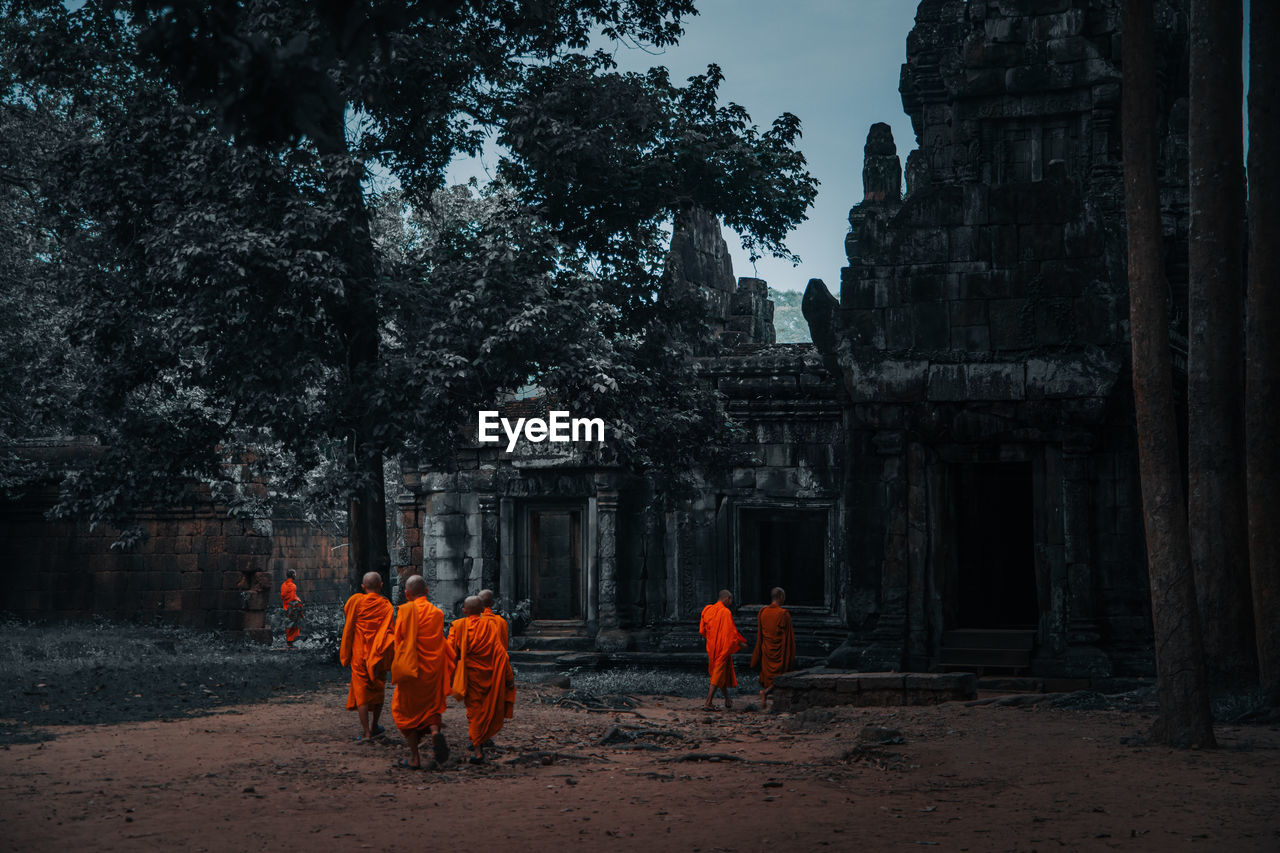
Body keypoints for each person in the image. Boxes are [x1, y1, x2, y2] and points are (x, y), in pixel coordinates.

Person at [383, 574, 453, 769]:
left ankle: (415, 757)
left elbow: (400, 641)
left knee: (406, 710)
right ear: (427, 591)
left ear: (406, 594)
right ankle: (434, 732)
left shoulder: (405, 611)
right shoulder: (437, 613)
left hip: (412, 669)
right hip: (433, 668)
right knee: (432, 706)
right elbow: (439, 639)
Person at [449, 595, 515, 764]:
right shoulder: (490, 626)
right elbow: (501, 653)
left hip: (471, 676)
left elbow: (450, 652)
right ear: (482, 610)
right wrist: (508, 676)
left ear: (464, 610)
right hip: (490, 674)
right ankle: (481, 738)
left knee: (474, 711)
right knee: (486, 709)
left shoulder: (458, 626)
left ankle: (478, 750)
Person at [339, 572, 394, 742]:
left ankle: (366, 732)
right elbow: (390, 632)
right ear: (381, 585)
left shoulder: (356, 601)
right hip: (378, 655)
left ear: (363, 587)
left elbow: (348, 621)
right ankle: (374, 726)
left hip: (359, 654)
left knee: (361, 692)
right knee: (378, 688)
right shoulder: (386, 606)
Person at [699, 589, 746, 711]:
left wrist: (712, 638)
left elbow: (702, 631)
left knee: (720, 673)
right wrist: (740, 643)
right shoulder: (725, 612)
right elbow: (731, 633)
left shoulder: (707, 610)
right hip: (723, 648)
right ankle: (708, 702)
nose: (731, 603)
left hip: (712, 646)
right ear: (727, 599)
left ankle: (727, 700)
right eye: (731, 600)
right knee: (717, 674)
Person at [750, 587, 797, 708]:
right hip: (779, 651)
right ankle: (765, 692)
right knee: (782, 675)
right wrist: (790, 653)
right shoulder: (783, 614)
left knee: (769, 675)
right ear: (781, 596)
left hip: (767, 649)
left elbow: (760, 634)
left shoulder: (763, 612)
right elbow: (789, 638)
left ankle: (768, 694)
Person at [280, 569, 303, 648]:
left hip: (285, 607)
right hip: (293, 607)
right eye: (295, 574)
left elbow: (283, 596)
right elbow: (293, 598)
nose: (296, 575)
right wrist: (298, 600)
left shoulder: (283, 585)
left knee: (288, 625)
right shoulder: (293, 586)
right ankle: (292, 642)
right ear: (293, 575)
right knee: (294, 625)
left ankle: (289, 642)